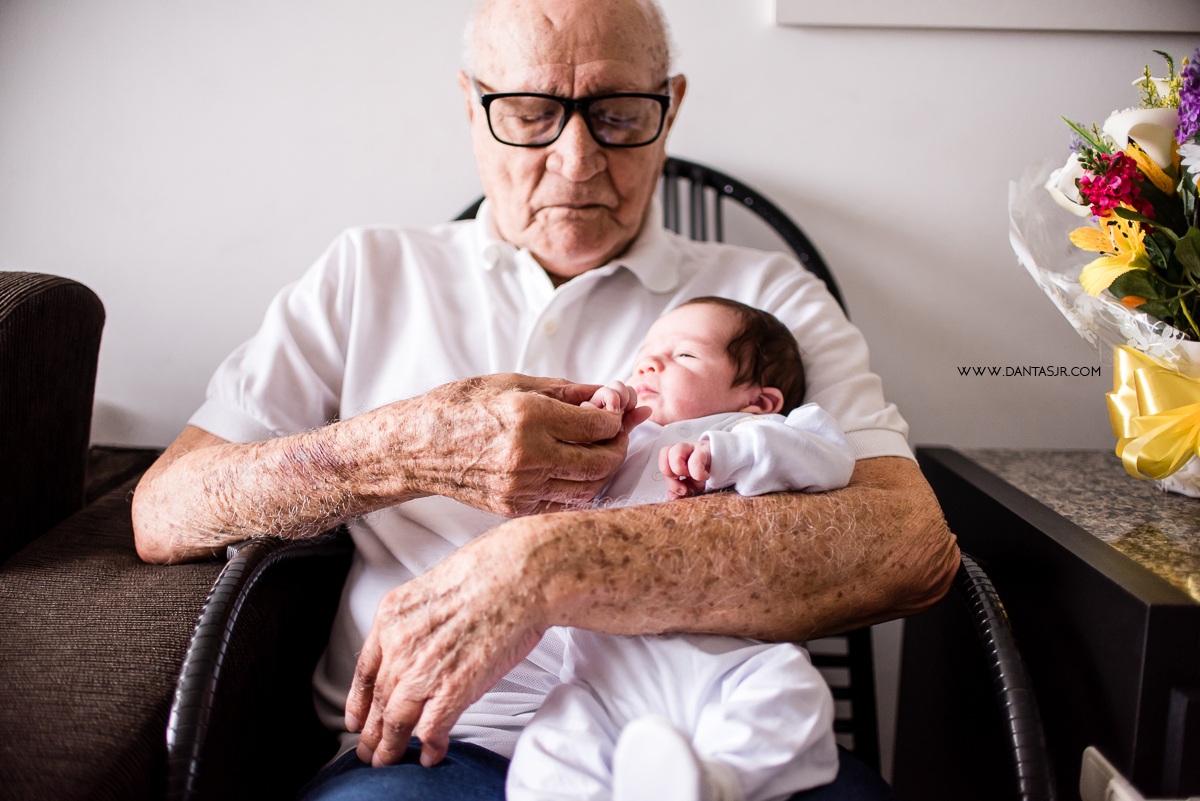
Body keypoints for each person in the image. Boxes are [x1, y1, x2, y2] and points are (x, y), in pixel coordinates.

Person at [131, 0, 959, 797]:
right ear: (471, 104)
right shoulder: (367, 275)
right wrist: (409, 444)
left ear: (670, 107)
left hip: (717, 737)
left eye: (620, 114)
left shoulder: (764, 297)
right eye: (530, 113)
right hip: (430, 749)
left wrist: (548, 564)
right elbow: (166, 509)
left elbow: (910, 545)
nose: (577, 160)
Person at [507, 297, 851, 801]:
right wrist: (594, 436)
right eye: (646, 353)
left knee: (791, 694)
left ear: (759, 401)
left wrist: (728, 453)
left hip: (725, 659)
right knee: (550, 747)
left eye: (685, 356)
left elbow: (828, 461)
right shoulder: (628, 446)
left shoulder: (756, 433)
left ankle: (718, 782)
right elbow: (555, 505)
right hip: (606, 673)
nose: (650, 363)